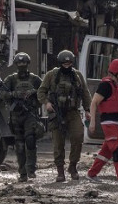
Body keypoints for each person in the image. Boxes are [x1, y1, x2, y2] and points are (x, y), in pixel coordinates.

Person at [37, 50, 92, 182]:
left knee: (78, 136)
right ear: (60, 63)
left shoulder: (77, 75)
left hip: (73, 112)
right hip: (56, 112)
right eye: (64, 63)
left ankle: (72, 166)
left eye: (69, 63)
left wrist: (88, 109)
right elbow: (41, 91)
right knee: (58, 142)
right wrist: (47, 103)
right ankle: (60, 171)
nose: (67, 65)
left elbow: (85, 93)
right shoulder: (52, 75)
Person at [1, 52, 43, 182]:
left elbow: (44, 91)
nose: (22, 65)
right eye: (19, 63)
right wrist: (15, 94)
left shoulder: (35, 79)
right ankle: (22, 172)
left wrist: (34, 92)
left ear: (28, 63)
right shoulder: (11, 79)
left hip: (30, 114)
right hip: (16, 115)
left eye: (24, 63)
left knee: (30, 140)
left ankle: (31, 169)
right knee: (19, 144)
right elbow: (2, 94)